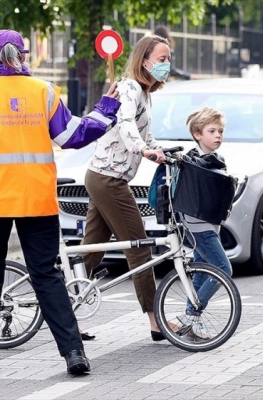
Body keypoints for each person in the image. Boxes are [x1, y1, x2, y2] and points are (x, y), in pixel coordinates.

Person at [0, 29, 121, 376]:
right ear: (25, 56)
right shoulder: (43, 92)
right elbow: (72, 136)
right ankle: (74, 354)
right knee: (47, 275)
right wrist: (105, 109)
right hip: (37, 201)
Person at [79, 35, 171, 341]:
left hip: (102, 176)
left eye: (168, 59)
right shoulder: (129, 87)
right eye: (161, 59)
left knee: (90, 252)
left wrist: (168, 153)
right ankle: (155, 320)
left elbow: (147, 133)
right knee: (139, 247)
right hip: (109, 179)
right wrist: (143, 151)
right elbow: (125, 123)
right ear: (144, 61)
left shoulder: (145, 93)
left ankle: (63, 308)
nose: (166, 65)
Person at [179, 106, 233, 340]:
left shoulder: (214, 160)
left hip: (209, 225)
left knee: (201, 272)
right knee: (223, 269)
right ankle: (192, 314)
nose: (218, 135)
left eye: (220, 131)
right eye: (212, 131)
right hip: (199, 227)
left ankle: (192, 322)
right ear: (197, 134)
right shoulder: (194, 162)